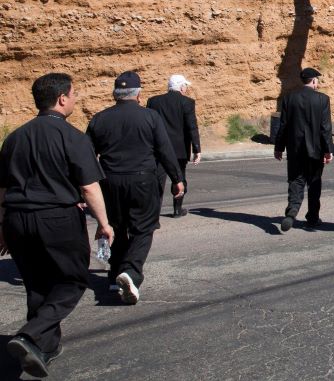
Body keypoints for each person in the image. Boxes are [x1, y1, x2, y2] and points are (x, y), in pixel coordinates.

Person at [0, 73, 114, 378]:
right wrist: (103, 223)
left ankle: (43, 347)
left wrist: (2, 226)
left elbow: (2, 188)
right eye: (74, 94)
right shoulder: (73, 136)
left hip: (16, 219)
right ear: (62, 98)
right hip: (56, 217)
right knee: (74, 280)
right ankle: (29, 334)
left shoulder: (14, 137)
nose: (75, 99)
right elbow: (89, 187)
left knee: (38, 284)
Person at [87, 71, 184, 305]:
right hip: (142, 181)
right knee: (144, 228)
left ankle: (113, 275)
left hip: (109, 181)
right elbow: (165, 150)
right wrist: (177, 178)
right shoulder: (150, 117)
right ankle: (130, 272)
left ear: (115, 94)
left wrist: (84, 187)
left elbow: (87, 156)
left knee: (117, 227)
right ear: (139, 94)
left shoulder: (99, 119)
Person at [273, 67, 333, 232]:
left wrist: (279, 147)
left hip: (295, 150)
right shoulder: (323, 99)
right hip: (315, 150)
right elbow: (325, 128)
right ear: (313, 80)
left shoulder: (289, 98)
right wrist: (328, 150)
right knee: (314, 183)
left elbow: (283, 125)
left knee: (295, 181)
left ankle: (292, 211)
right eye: (317, 80)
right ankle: (313, 218)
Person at [147, 74, 202, 218]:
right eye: (185, 86)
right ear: (181, 87)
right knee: (179, 178)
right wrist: (197, 149)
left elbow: (149, 125)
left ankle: (153, 215)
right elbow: (192, 127)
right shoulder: (187, 102)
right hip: (179, 149)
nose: (186, 89)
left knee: (158, 181)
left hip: (158, 149)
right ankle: (177, 209)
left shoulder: (153, 101)